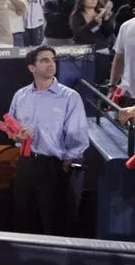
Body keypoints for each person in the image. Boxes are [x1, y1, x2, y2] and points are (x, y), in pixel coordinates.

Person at [8, 46, 89, 236]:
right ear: (32, 68)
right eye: (44, 60)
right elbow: (11, 127)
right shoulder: (21, 95)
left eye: (53, 59)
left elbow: (78, 134)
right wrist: (16, 136)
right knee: (23, 218)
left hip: (53, 166)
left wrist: (67, 161)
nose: (51, 64)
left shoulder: (69, 97)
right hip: (25, 163)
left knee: (53, 222)